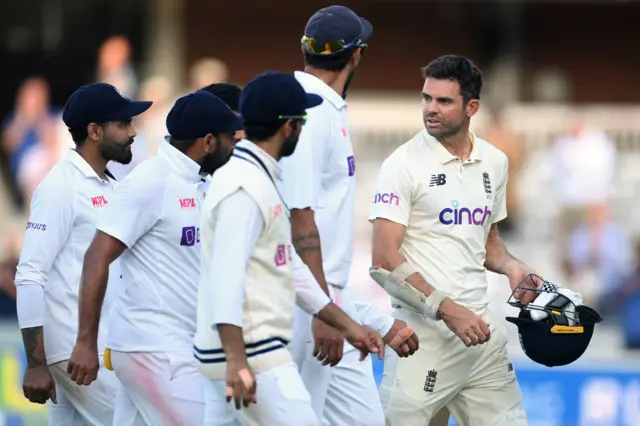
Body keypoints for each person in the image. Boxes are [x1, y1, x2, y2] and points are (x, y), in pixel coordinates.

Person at [194, 71, 385, 426]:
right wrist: (237, 359)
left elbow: (293, 270)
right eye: (302, 120)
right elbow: (225, 277)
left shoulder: (256, 178)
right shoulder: (244, 186)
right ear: (288, 127)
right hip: (252, 354)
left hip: (240, 352)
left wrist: (349, 326)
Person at [369, 55, 535, 426]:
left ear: (472, 107)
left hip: (481, 339)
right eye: (426, 98)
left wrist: (512, 267)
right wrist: (447, 309)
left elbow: (487, 241)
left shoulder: (495, 162)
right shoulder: (402, 164)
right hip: (422, 341)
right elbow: (382, 258)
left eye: (444, 101)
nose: (431, 109)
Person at [66, 91, 242, 426]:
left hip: (173, 348)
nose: (236, 145)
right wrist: (86, 343)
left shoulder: (200, 184)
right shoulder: (152, 181)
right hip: (155, 349)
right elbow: (96, 257)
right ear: (207, 141)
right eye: (230, 138)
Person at [279, 6, 418, 425]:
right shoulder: (309, 112)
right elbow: (297, 220)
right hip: (308, 306)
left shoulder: (327, 108)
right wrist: (323, 312)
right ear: (356, 55)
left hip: (330, 301)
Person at [14, 82, 151, 425]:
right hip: (78, 353)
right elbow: (29, 274)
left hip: (92, 350)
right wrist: (35, 363)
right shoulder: (61, 186)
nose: (133, 132)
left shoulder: (110, 184)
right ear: (94, 131)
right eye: (123, 124)